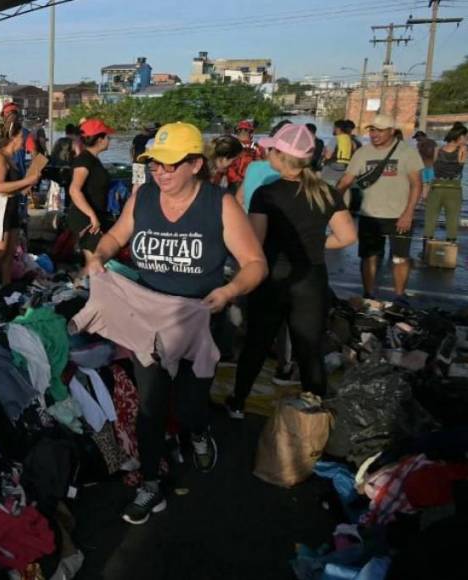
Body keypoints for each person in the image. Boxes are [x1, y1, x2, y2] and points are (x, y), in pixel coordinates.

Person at [82, 122, 267, 524]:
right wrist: (99, 255)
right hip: (148, 318)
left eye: (170, 165)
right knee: (149, 407)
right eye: (154, 164)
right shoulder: (143, 197)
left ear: (196, 164)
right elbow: (114, 238)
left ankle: (197, 431)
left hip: (199, 321)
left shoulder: (220, 204)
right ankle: (151, 484)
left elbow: (255, 264)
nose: (160, 173)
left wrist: (229, 291)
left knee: (187, 405)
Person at [228, 124, 356, 419]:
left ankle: (237, 402)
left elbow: (255, 241)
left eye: (271, 149)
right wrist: (314, 243)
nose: (267, 152)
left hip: (273, 279)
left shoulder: (266, 193)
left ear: (281, 155)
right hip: (311, 279)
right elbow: (348, 236)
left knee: (257, 344)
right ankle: (315, 409)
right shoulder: (325, 191)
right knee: (309, 346)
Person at [336, 114, 424, 302]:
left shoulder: (407, 152)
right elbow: (346, 181)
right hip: (370, 215)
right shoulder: (362, 153)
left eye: (380, 130)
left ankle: (399, 296)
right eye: (372, 130)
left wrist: (408, 213)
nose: (374, 134)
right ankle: (369, 294)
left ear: (392, 131)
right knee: (369, 257)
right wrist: (331, 202)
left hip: (400, 216)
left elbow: (417, 184)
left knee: (400, 258)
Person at [0, 119, 43, 285]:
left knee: (10, 252)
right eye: (22, 137)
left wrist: (28, 184)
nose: (24, 141)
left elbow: (11, 186)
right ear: (14, 138)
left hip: (11, 204)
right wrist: (27, 180)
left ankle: (6, 286)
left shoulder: (11, 159)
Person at [67, 119, 115, 262]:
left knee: (97, 261)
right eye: (107, 136)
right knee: (95, 262)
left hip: (96, 216)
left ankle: (83, 283)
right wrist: (92, 216)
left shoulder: (93, 159)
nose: (109, 140)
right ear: (99, 139)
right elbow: (74, 190)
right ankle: (81, 283)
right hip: (86, 218)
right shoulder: (84, 160)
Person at [424, 125, 467, 242]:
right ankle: (450, 244)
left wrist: (426, 188)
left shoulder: (437, 149)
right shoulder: (462, 150)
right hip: (453, 188)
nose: (466, 140)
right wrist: (464, 149)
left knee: (431, 218)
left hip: (436, 187)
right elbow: (461, 163)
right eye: (465, 137)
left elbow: (433, 168)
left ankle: (427, 246)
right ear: (459, 137)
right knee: (452, 218)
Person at [413, 131, 437, 202]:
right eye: (416, 139)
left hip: (427, 166)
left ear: (421, 137)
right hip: (426, 166)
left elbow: (418, 156)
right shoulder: (430, 143)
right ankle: (425, 198)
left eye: (417, 138)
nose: (416, 140)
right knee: (427, 183)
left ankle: (425, 198)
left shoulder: (428, 143)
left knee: (426, 183)